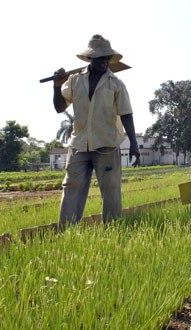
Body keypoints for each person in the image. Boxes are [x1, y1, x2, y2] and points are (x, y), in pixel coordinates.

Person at [52, 34, 139, 229]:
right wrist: (57, 86)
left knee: (111, 191)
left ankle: (112, 230)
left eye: (107, 58)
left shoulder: (115, 84)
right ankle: (66, 232)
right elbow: (59, 107)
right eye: (99, 58)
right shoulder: (75, 80)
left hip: (106, 145)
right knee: (71, 188)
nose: (104, 61)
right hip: (79, 145)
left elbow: (126, 114)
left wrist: (134, 144)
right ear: (90, 59)